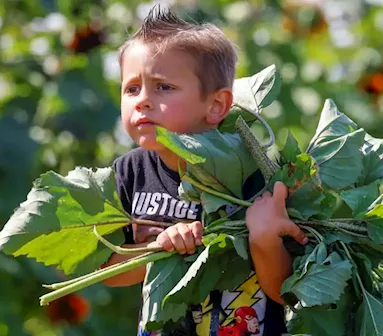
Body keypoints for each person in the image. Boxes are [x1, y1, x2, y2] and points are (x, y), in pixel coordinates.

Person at [100, 5, 308, 336]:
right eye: (131, 88)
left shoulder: (254, 173)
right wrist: (156, 247)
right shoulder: (130, 171)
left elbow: (287, 292)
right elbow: (109, 273)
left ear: (216, 106)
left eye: (163, 87)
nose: (142, 100)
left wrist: (264, 238)